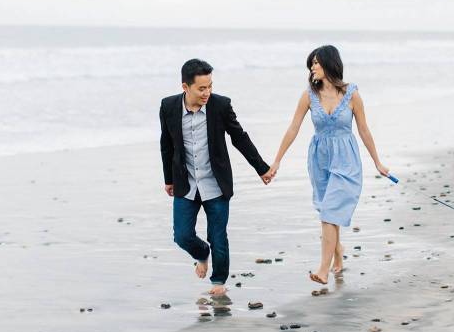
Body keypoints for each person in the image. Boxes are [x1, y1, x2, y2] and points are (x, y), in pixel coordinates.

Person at [267, 45, 390, 284]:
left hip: (346, 159)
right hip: (320, 159)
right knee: (327, 212)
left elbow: (364, 129)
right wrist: (277, 161)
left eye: (316, 62)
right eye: (311, 63)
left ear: (329, 63)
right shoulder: (308, 96)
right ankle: (338, 251)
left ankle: (323, 270)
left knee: (329, 213)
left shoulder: (352, 94)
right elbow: (293, 128)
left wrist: (378, 162)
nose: (313, 67)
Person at [159, 59, 273, 295]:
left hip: (216, 183)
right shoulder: (168, 107)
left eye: (210, 86)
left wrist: (261, 168)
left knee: (218, 236)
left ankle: (218, 282)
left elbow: (239, 137)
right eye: (202, 88)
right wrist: (168, 178)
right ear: (185, 87)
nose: (207, 92)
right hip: (186, 182)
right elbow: (166, 144)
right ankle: (202, 255)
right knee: (182, 236)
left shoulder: (220, 105)